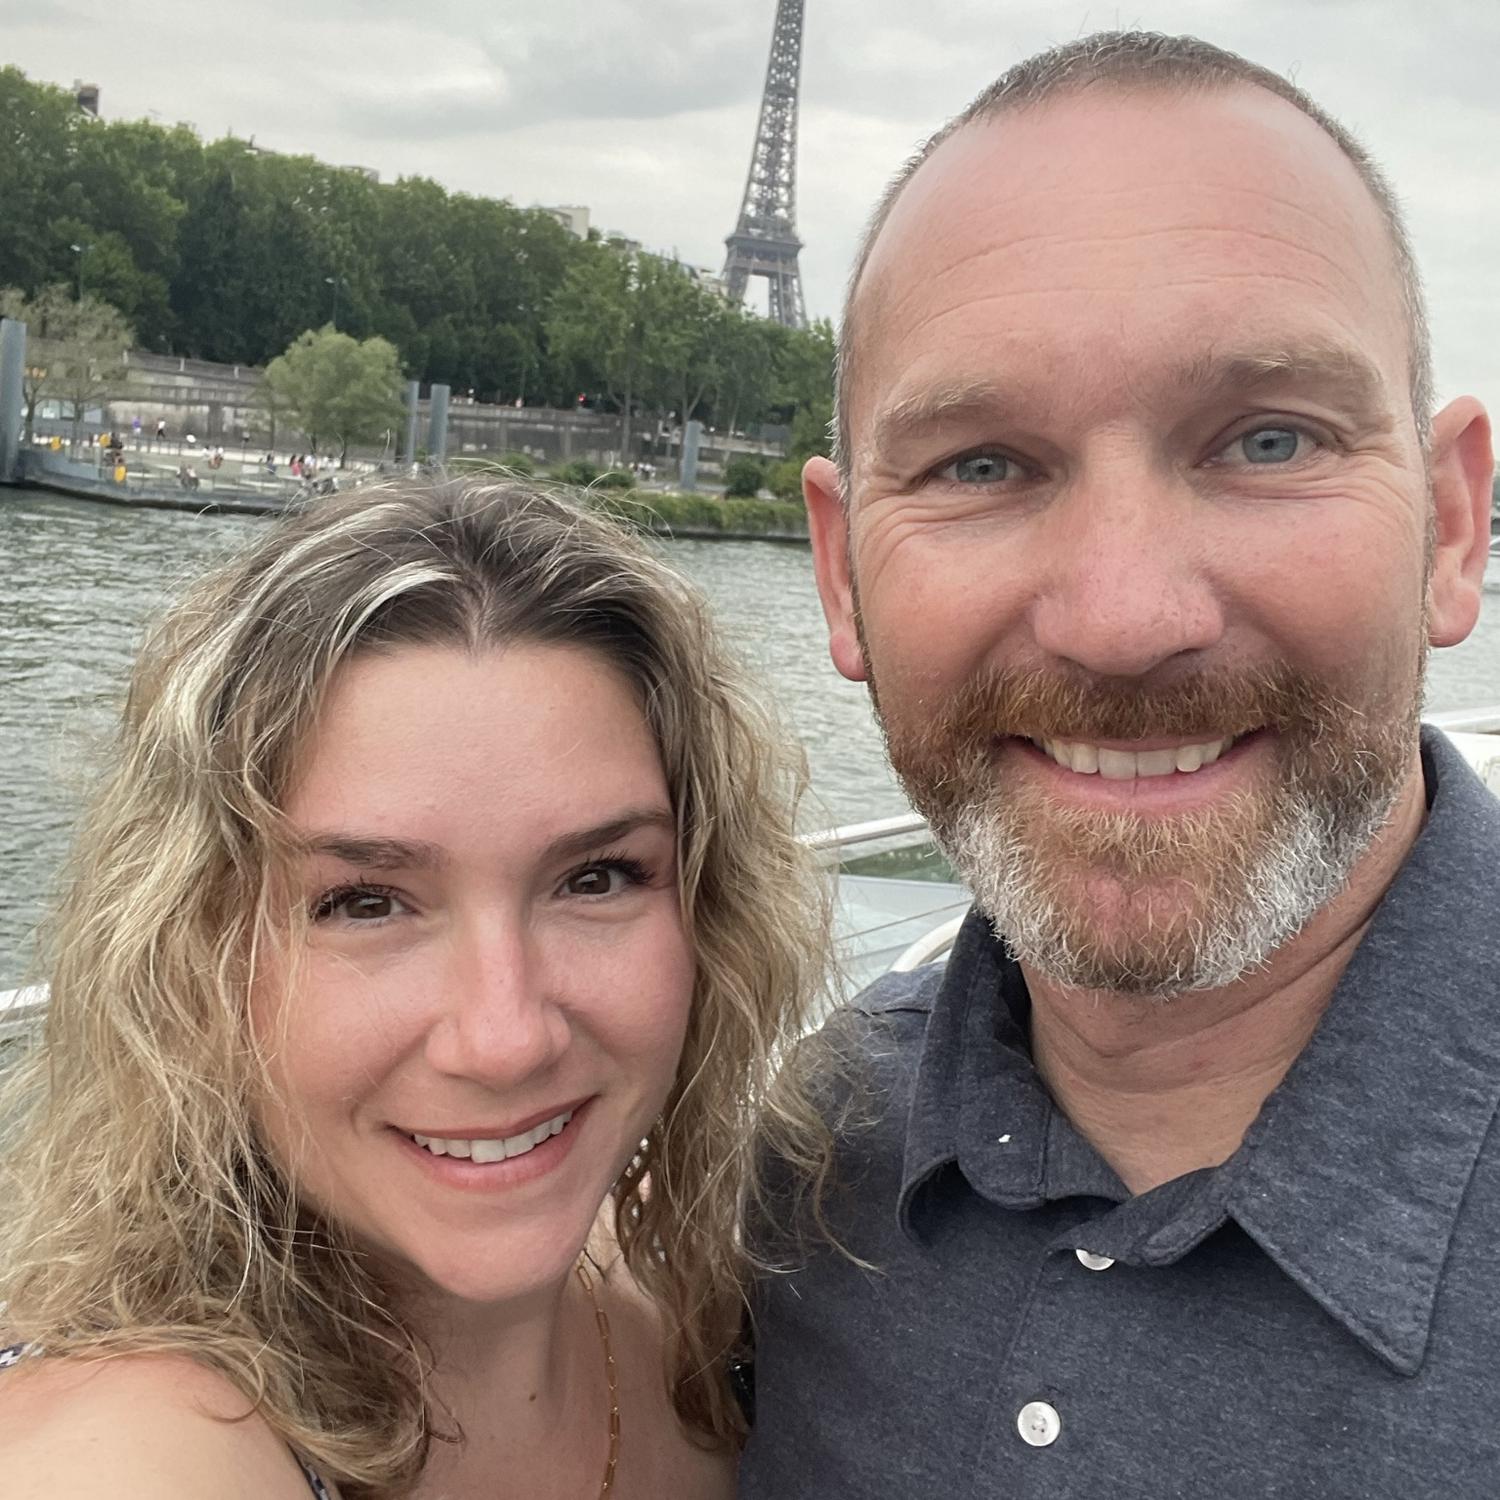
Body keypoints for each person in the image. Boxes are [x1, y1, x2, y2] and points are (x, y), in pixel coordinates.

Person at [740, 30, 1498, 1500]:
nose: (1125, 617)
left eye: (1267, 441)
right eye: (980, 465)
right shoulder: (787, 1172)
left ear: (1454, 530)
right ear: (841, 577)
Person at [0, 476, 831, 1498]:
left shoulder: (703, 1313)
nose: (505, 1038)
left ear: (705, 916)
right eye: (364, 903)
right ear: (193, 960)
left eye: (597, 878)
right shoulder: (134, 1450)